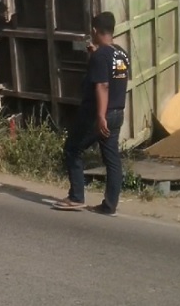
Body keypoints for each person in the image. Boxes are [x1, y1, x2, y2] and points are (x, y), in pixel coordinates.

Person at [53, 12, 130, 216]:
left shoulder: (100, 56)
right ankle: (110, 204)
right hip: (118, 112)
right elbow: (111, 78)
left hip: (98, 114)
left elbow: (103, 86)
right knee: (112, 158)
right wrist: (93, 55)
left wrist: (100, 116)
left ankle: (76, 197)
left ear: (95, 31)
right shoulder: (121, 54)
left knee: (73, 149)